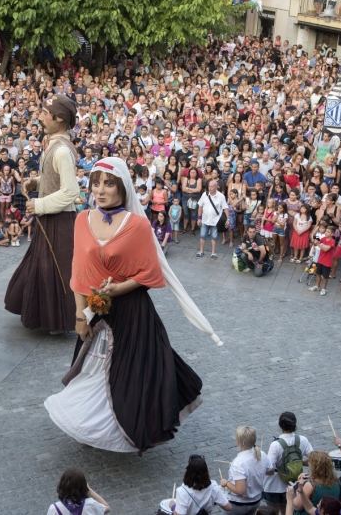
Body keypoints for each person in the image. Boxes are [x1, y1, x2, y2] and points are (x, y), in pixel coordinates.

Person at [44, 157, 220, 453]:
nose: (100, 190)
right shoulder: (81, 219)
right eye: (96, 183)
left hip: (132, 312)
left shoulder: (138, 225)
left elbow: (149, 273)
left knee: (128, 375)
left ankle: (122, 429)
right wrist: (78, 315)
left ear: (123, 188)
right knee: (92, 371)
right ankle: (90, 425)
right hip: (94, 311)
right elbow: (78, 270)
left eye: (108, 184)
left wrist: (118, 288)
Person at [5, 95, 81, 333]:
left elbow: (71, 191)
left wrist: (38, 205)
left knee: (56, 270)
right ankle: (48, 318)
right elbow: (54, 180)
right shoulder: (55, 145)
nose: (42, 118)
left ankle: (58, 321)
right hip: (50, 217)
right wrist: (35, 183)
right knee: (43, 267)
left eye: (46, 115)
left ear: (58, 120)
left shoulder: (61, 151)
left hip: (59, 220)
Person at [262, 412, 313, 512]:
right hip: (292, 486)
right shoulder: (302, 440)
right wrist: (300, 462)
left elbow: (270, 470)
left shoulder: (275, 445)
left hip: (273, 487)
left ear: (280, 424)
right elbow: (314, 459)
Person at [219, 426, 272, 515]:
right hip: (255, 501)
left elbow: (240, 491)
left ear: (242, 443)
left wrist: (226, 483)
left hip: (238, 505)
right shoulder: (262, 454)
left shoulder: (238, 463)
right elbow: (271, 471)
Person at [197, 179, 230, 259]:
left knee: (214, 237)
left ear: (216, 187)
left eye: (212, 187)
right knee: (202, 236)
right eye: (209, 186)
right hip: (205, 219)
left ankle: (213, 252)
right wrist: (199, 218)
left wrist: (228, 219)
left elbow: (225, 208)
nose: (210, 188)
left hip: (215, 220)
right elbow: (200, 206)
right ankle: (201, 251)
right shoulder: (205, 194)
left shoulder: (221, 196)